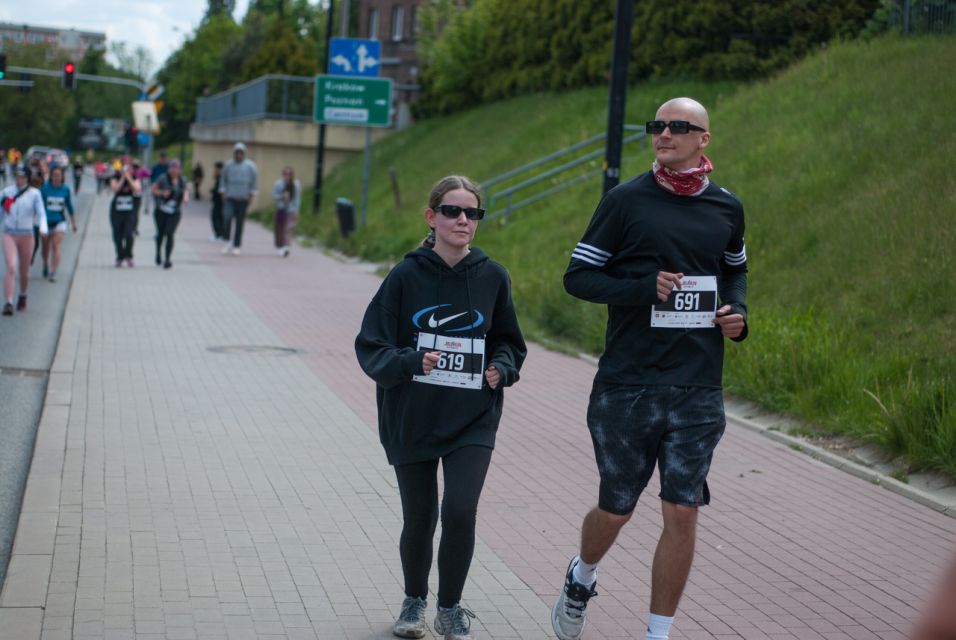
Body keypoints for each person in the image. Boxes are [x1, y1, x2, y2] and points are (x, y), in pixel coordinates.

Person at [551, 97, 749, 640]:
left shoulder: (727, 208)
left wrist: (737, 314)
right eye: (657, 125)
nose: (664, 133)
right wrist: (643, 288)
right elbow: (577, 278)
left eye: (678, 126)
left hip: (697, 384)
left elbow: (735, 272)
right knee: (617, 509)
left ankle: (657, 634)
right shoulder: (624, 201)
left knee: (682, 510)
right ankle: (582, 574)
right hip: (628, 383)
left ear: (703, 138)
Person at [355, 175, 526, 640]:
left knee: (460, 510)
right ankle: (414, 601)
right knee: (420, 517)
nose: (463, 220)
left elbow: (509, 342)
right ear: (432, 217)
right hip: (412, 415)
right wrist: (411, 362)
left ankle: (449, 608)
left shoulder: (493, 277)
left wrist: (502, 368)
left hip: (473, 417)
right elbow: (371, 345)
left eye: (472, 212)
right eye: (452, 211)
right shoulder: (404, 276)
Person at [2, 165, 48, 315]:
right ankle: (8, 302)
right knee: (11, 266)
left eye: (22, 177)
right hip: (10, 233)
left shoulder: (34, 194)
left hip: (27, 234)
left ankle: (23, 294)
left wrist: (43, 227)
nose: (19, 179)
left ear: (27, 178)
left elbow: (41, 212)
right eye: (17, 176)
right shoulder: (6, 192)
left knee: (24, 270)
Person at [219, 142, 258, 255]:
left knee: (240, 222)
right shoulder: (228, 165)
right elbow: (223, 180)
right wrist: (223, 193)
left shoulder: (250, 166)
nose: (239, 155)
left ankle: (237, 245)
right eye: (237, 153)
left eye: (241, 153)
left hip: (243, 198)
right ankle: (227, 241)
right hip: (230, 197)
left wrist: (251, 196)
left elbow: (254, 183)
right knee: (227, 217)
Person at [39, 166, 77, 282]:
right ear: (51, 176)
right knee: (45, 247)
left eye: (59, 175)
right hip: (46, 222)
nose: (56, 178)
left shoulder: (65, 189)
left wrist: (74, 223)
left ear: (62, 177)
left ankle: (54, 271)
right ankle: (45, 263)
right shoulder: (44, 189)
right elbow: (38, 206)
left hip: (60, 221)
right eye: (54, 175)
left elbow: (69, 206)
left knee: (56, 244)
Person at [151, 159, 189, 269]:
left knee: (170, 233)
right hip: (161, 210)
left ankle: (167, 259)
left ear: (180, 170)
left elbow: (185, 191)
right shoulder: (163, 178)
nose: (174, 170)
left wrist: (185, 198)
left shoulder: (182, 180)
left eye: (177, 168)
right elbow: (153, 189)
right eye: (172, 168)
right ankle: (158, 253)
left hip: (174, 212)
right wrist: (162, 193)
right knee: (160, 233)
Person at [109, 164, 142, 268]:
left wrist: (128, 178)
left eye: (128, 170)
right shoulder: (115, 178)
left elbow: (137, 189)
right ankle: (120, 256)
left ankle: (128, 255)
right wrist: (123, 178)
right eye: (124, 170)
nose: (126, 172)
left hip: (130, 211)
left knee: (129, 234)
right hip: (117, 211)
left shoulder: (135, 179)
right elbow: (115, 189)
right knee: (117, 235)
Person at [272, 166, 301, 257]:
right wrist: (282, 196)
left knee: (288, 228)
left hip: (291, 210)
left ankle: (286, 247)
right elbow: (274, 195)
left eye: (289, 174)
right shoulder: (278, 184)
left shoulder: (295, 185)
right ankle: (280, 246)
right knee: (279, 229)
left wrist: (296, 210)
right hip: (281, 209)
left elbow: (297, 199)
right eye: (285, 174)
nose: (287, 176)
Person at [209, 161, 224, 241]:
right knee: (218, 217)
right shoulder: (219, 177)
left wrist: (213, 190)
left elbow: (220, 189)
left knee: (215, 217)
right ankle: (219, 234)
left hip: (220, 201)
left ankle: (219, 234)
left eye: (216, 169)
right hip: (218, 201)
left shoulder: (222, 177)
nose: (214, 170)